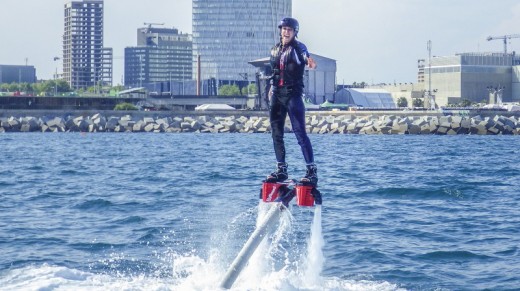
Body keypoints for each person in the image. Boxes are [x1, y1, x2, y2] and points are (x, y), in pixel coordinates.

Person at [266, 17, 318, 187]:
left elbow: (305, 56)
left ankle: (311, 171)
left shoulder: (299, 47)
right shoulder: (274, 49)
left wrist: (309, 61)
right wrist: (271, 88)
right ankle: (281, 169)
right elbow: (274, 71)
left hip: (293, 95)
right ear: (280, 30)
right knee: (276, 132)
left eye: (290, 29)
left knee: (299, 133)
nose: (286, 32)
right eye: (284, 29)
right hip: (277, 95)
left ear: (295, 32)